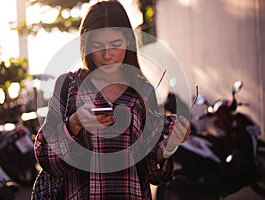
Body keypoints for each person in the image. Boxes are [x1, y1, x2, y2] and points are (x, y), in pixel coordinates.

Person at [32, 1, 190, 199]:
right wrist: (75, 123)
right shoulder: (68, 85)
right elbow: (47, 158)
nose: (107, 55)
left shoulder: (143, 91)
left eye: (116, 45)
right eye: (98, 46)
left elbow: (154, 172)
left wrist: (170, 144)